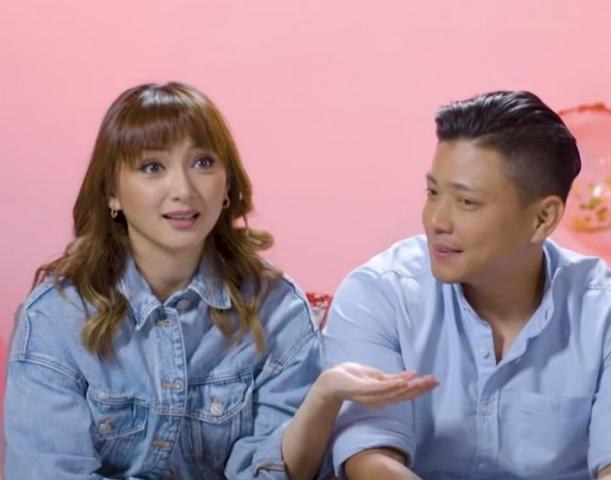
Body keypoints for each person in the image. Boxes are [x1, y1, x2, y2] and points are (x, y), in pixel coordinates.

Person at [4, 82, 438, 479]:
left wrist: (324, 395)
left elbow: (272, 474)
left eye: (203, 163)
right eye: (152, 167)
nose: (183, 189)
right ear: (112, 193)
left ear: (227, 185)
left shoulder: (277, 309)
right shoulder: (55, 317)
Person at [322, 90, 611, 479]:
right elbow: (369, 458)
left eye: (466, 202)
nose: (437, 220)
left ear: (542, 218)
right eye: (433, 193)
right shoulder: (379, 294)